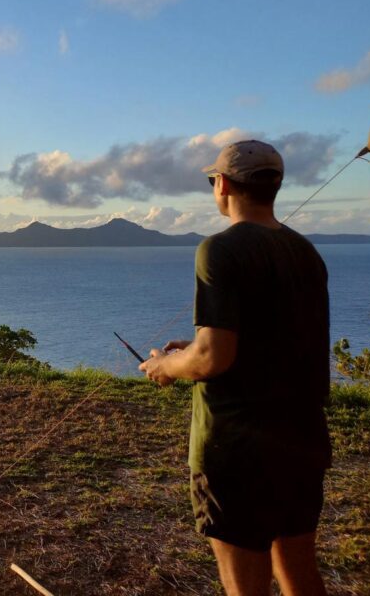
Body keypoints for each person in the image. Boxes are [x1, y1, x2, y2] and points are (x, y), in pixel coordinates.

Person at [139, 140, 331, 596]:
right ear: (275, 187)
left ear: (222, 184)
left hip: (238, 450)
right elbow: (277, 343)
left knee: (245, 585)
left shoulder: (219, 250)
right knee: (299, 571)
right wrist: (200, 345)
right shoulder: (306, 252)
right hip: (302, 440)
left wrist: (166, 365)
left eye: (212, 181)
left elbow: (212, 358)